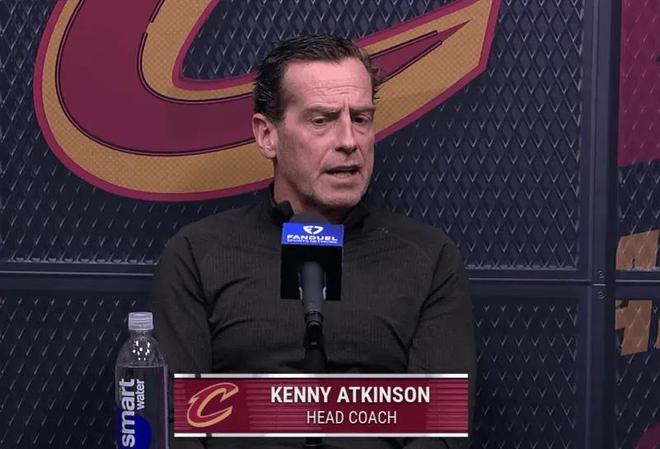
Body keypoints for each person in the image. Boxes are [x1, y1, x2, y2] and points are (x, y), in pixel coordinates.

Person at [149, 34, 476, 449]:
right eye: (322, 120)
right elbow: (171, 424)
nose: (349, 141)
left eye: (361, 118)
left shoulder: (428, 258)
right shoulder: (198, 255)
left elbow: (442, 429)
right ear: (267, 135)